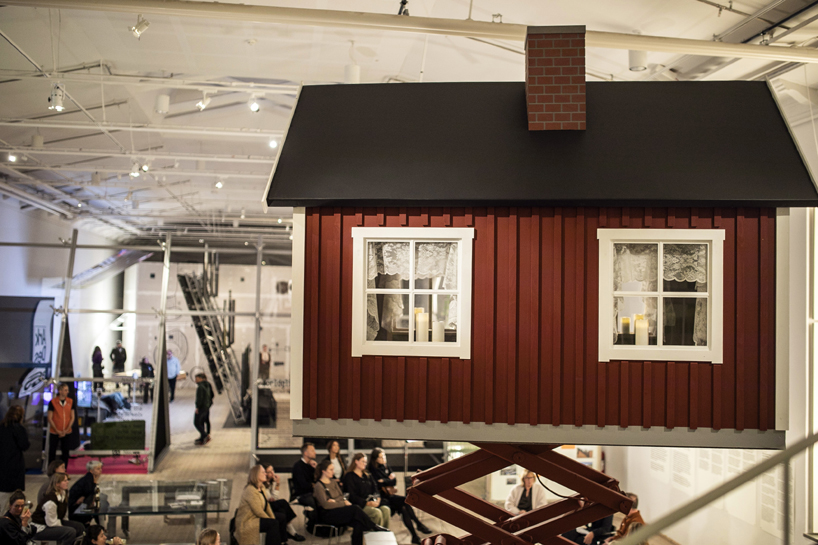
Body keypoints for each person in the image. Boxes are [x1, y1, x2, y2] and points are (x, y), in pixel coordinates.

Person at [313, 459, 387, 545]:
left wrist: (335, 501)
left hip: (338, 510)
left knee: (358, 523)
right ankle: (373, 526)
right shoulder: (319, 486)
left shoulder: (333, 482)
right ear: (323, 471)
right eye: (331, 469)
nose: (333, 471)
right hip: (328, 514)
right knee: (355, 508)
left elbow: (341, 496)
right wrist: (342, 503)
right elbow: (326, 505)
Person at [368, 447, 431, 544]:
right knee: (404, 502)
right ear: (375, 459)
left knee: (404, 508)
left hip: (390, 496)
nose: (383, 458)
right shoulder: (372, 470)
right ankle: (418, 525)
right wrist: (387, 480)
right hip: (382, 498)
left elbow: (394, 481)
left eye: (384, 456)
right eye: (381, 457)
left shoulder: (386, 466)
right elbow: (378, 484)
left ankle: (415, 535)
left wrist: (385, 480)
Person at [235, 465, 283, 545]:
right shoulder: (250, 490)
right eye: (263, 472)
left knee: (280, 518)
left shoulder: (262, 487)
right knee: (273, 524)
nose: (265, 474)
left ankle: (281, 541)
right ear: (256, 475)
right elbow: (258, 511)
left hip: (255, 517)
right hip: (248, 521)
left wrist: (272, 518)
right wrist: (271, 520)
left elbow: (267, 506)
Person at [31, 472, 86, 542]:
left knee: (79, 527)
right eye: (65, 481)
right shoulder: (51, 500)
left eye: (67, 480)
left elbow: (64, 515)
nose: (67, 482)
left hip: (54, 522)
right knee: (70, 532)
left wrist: (67, 523)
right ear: (57, 484)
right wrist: (64, 527)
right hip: (41, 527)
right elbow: (51, 523)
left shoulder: (63, 494)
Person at [342, 453, 390, 528]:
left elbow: (375, 489)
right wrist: (367, 503)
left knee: (386, 509)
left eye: (366, 462)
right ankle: (375, 534)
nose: (365, 464)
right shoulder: (349, 476)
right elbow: (352, 496)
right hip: (360, 505)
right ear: (356, 461)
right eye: (363, 461)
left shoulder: (367, 475)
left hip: (372, 501)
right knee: (376, 513)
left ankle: (385, 534)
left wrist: (378, 500)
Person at [265, 466, 305, 542]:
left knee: (282, 511)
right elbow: (272, 499)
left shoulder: (270, 482)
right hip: (265, 507)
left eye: (273, 470)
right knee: (282, 502)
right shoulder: (262, 484)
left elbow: (273, 498)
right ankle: (291, 533)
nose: (273, 473)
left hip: (270, 505)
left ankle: (284, 538)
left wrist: (274, 483)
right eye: (269, 472)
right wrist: (277, 484)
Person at [0, 406, 29, 509]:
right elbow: (25, 445)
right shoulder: (19, 429)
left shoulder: (1, 427)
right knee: (15, 497)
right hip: (15, 465)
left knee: (3, 498)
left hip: (2, 465)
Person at [68, 461, 103, 527]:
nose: (101, 470)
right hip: (75, 510)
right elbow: (86, 496)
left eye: (100, 468)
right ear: (91, 470)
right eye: (98, 469)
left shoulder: (89, 479)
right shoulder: (88, 481)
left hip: (79, 507)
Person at [47, 383, 75, 466]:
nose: (67, 392)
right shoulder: (53, 402)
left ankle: (64, 469)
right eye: (65, 390)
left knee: (65, 452)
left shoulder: (70, 401)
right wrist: (57, 430)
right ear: (60, 391)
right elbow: (50, 418)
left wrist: (66, 430)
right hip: (55, 431)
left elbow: (72, 417)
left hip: (67, 431)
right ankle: (51, 470)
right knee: (52, 451)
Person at [291, 442, 317, 508]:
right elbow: (303, 484)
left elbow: (317, 479)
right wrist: (314, 485)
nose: (315, 452)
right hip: (303, 495)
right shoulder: (298, 466)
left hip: (312, 493)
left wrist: (316, 468)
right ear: (305, 453)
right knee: (317, 502)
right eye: (312, 451)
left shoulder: (311, 466)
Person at [194, 373, 214, 446]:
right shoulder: (208, 384)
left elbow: (199, 399)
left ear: (201, 378)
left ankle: (205, 435)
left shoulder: (200, 387)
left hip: (202, 407)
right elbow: (212, 395)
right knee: (205, 420)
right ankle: (204, 436)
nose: (195, 380)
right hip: (207, 406)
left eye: (197, 378)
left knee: (196, 422)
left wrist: (197, 407)